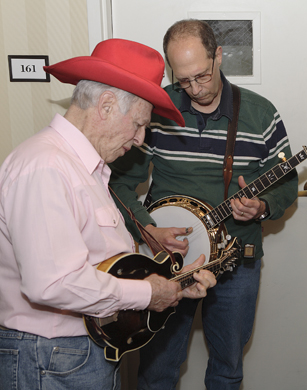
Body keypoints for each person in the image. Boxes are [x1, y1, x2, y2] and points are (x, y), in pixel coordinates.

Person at [0, 39, 216, 390]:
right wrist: (147, 294)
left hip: (73, 354)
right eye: (139, 124)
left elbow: (103, 265)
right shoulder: (45, 167)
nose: (140, 138)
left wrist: (172, 286)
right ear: (106, 105)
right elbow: (52, 283)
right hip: (49, 357)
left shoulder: (85, 170)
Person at [108, 20, 298, 390]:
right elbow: (120, 184)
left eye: (202, 76)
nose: (195, 89)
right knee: (157, 368)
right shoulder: (156, 112)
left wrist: (261, 206)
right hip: (168, 262)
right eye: (183, 81)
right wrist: (150, 229)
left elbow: (287, 182)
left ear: (219, 56)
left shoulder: (261, 114)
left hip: (236, 263)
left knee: (227, 369)